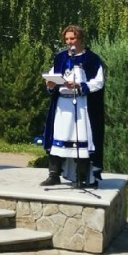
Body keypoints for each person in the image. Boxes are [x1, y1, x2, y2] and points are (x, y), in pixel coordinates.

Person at [40, 24, 105, 188]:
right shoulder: (60, 58)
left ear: (80, 39)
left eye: (73, 38)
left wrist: (79, 86)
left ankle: (82, 177)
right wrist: (51, 84)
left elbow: (98, 82)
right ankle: (54, 174)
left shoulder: (92, 59)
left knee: (80, 137)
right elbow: (54, 75)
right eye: (67, 39)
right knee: (59, 137)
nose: (69, 42)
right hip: (62, 105)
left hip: (82, 106)